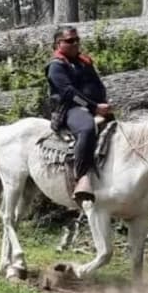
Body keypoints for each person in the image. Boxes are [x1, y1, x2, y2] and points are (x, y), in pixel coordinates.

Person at [46, 26, 112, 202]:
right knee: (87, 128)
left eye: (77, 40)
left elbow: (97, 84)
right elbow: (69, 94)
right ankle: (82, 178)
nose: (75, 43)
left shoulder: (84, 62)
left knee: (116, 130)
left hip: (94, 106)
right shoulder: (56, 66)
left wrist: (103, 102)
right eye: (69, 41)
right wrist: (94, 108)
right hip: (70, 109)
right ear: (58, 43)